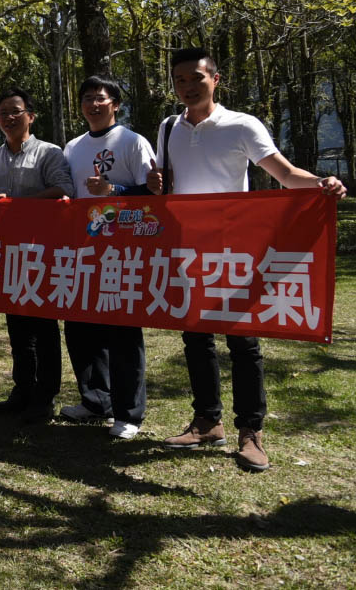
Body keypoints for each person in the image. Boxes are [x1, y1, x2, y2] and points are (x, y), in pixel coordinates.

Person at [148, 48, 347, 472]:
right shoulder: (168, 128)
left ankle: (250, 432)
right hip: (187, 249)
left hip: (233, 249)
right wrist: (156, 185)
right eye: (179, 79)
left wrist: (321, 183)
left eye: (195, 78)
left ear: (215, 79)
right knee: (196, 338)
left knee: (243, 340)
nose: (186, 87)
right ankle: (206, 422)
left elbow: (286, 175)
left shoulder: (242, 124)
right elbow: (168, 192)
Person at [0, 87, 74, 423]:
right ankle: (22, 390)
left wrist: (17, 205)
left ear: (30, 115)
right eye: (3, 112)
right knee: (17, 328)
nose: (9, 118)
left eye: (16, 111)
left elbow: (64, 189)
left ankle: (45, 396)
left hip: (42, 252)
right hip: (8, 254)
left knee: (44, 327)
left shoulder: (49, 152)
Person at [61, 76, 156, 440]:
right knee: (81, 327)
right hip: (83, 251)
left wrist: (114, 190)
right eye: (87, 99)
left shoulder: (132, 142)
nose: (93, 105)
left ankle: (128, 412)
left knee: (122, 331)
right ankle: (94, 401)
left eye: (100, 99)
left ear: (115, 103)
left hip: (124, 252)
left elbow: (154, 193)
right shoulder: (72, 147)